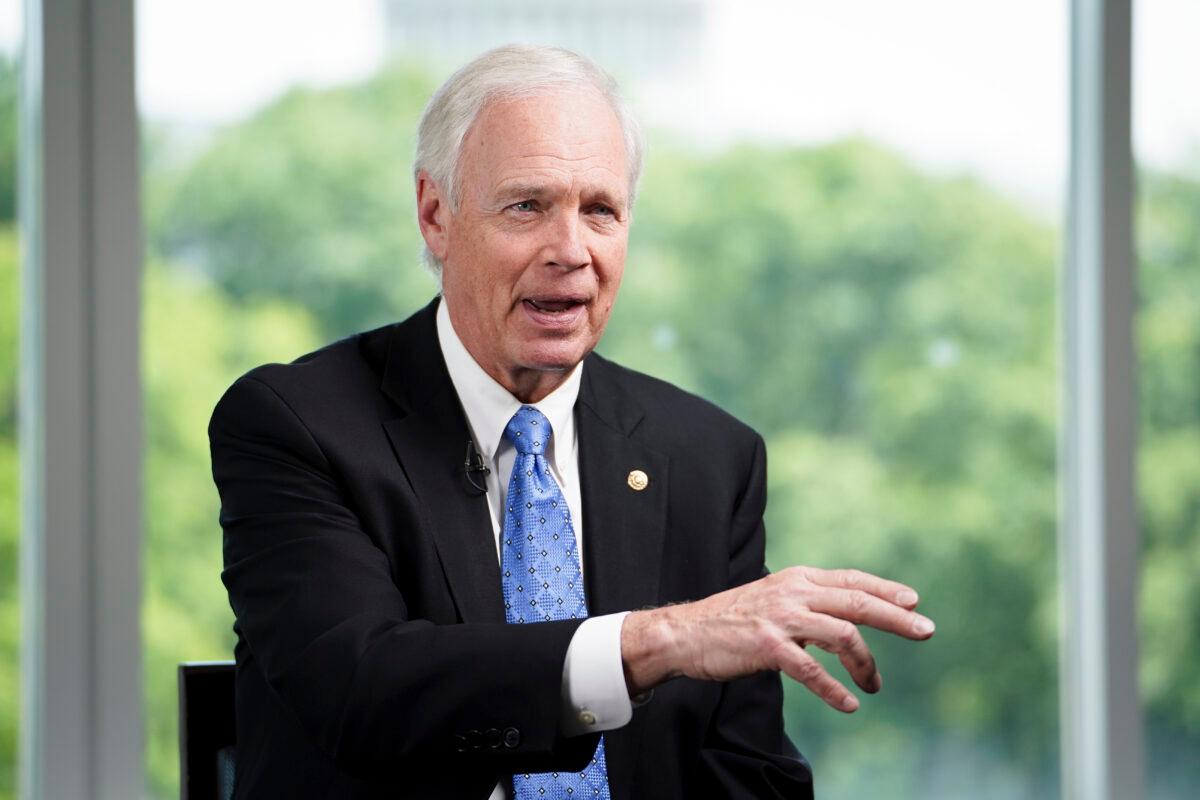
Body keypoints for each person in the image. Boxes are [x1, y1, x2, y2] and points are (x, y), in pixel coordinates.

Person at [209, 44, 935, 800]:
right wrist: (658, 639)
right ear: (435, 214)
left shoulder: (709, 456)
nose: (571, 252)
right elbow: (361, 691)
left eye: (600, 211)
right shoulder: (296, 424)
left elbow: (746, 770)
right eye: (527, 205)